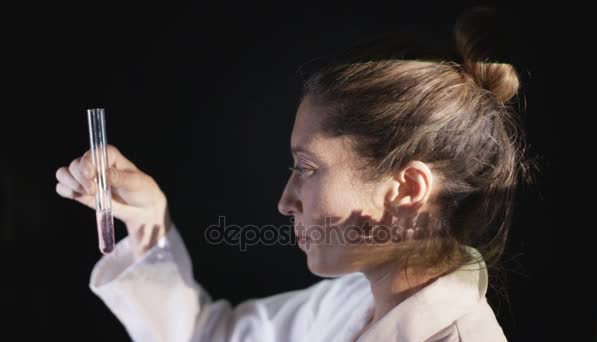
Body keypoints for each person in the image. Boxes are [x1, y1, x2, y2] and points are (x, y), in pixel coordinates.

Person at [54, 8, 532, 342]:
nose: (285, 201)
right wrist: (148, 221)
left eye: (306, 167)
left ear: (406, 189)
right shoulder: (350, 301)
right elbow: (209, 337)